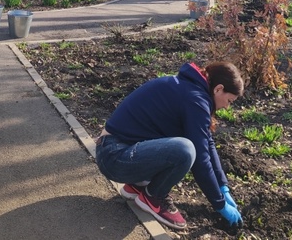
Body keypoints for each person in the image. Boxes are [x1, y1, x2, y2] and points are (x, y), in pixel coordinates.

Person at [94, 61, 245, 230]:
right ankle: (152, 197)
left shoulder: (191, 89)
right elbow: (201, 160)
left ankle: (137, 184)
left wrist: (223, 187)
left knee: (184, 145)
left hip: (116, 151)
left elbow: (207, 143)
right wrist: (219, 204)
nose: (226, 107)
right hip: (114, 157)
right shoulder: (195, 100)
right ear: (218, 89)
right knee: (185, 150)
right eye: (229, 101)